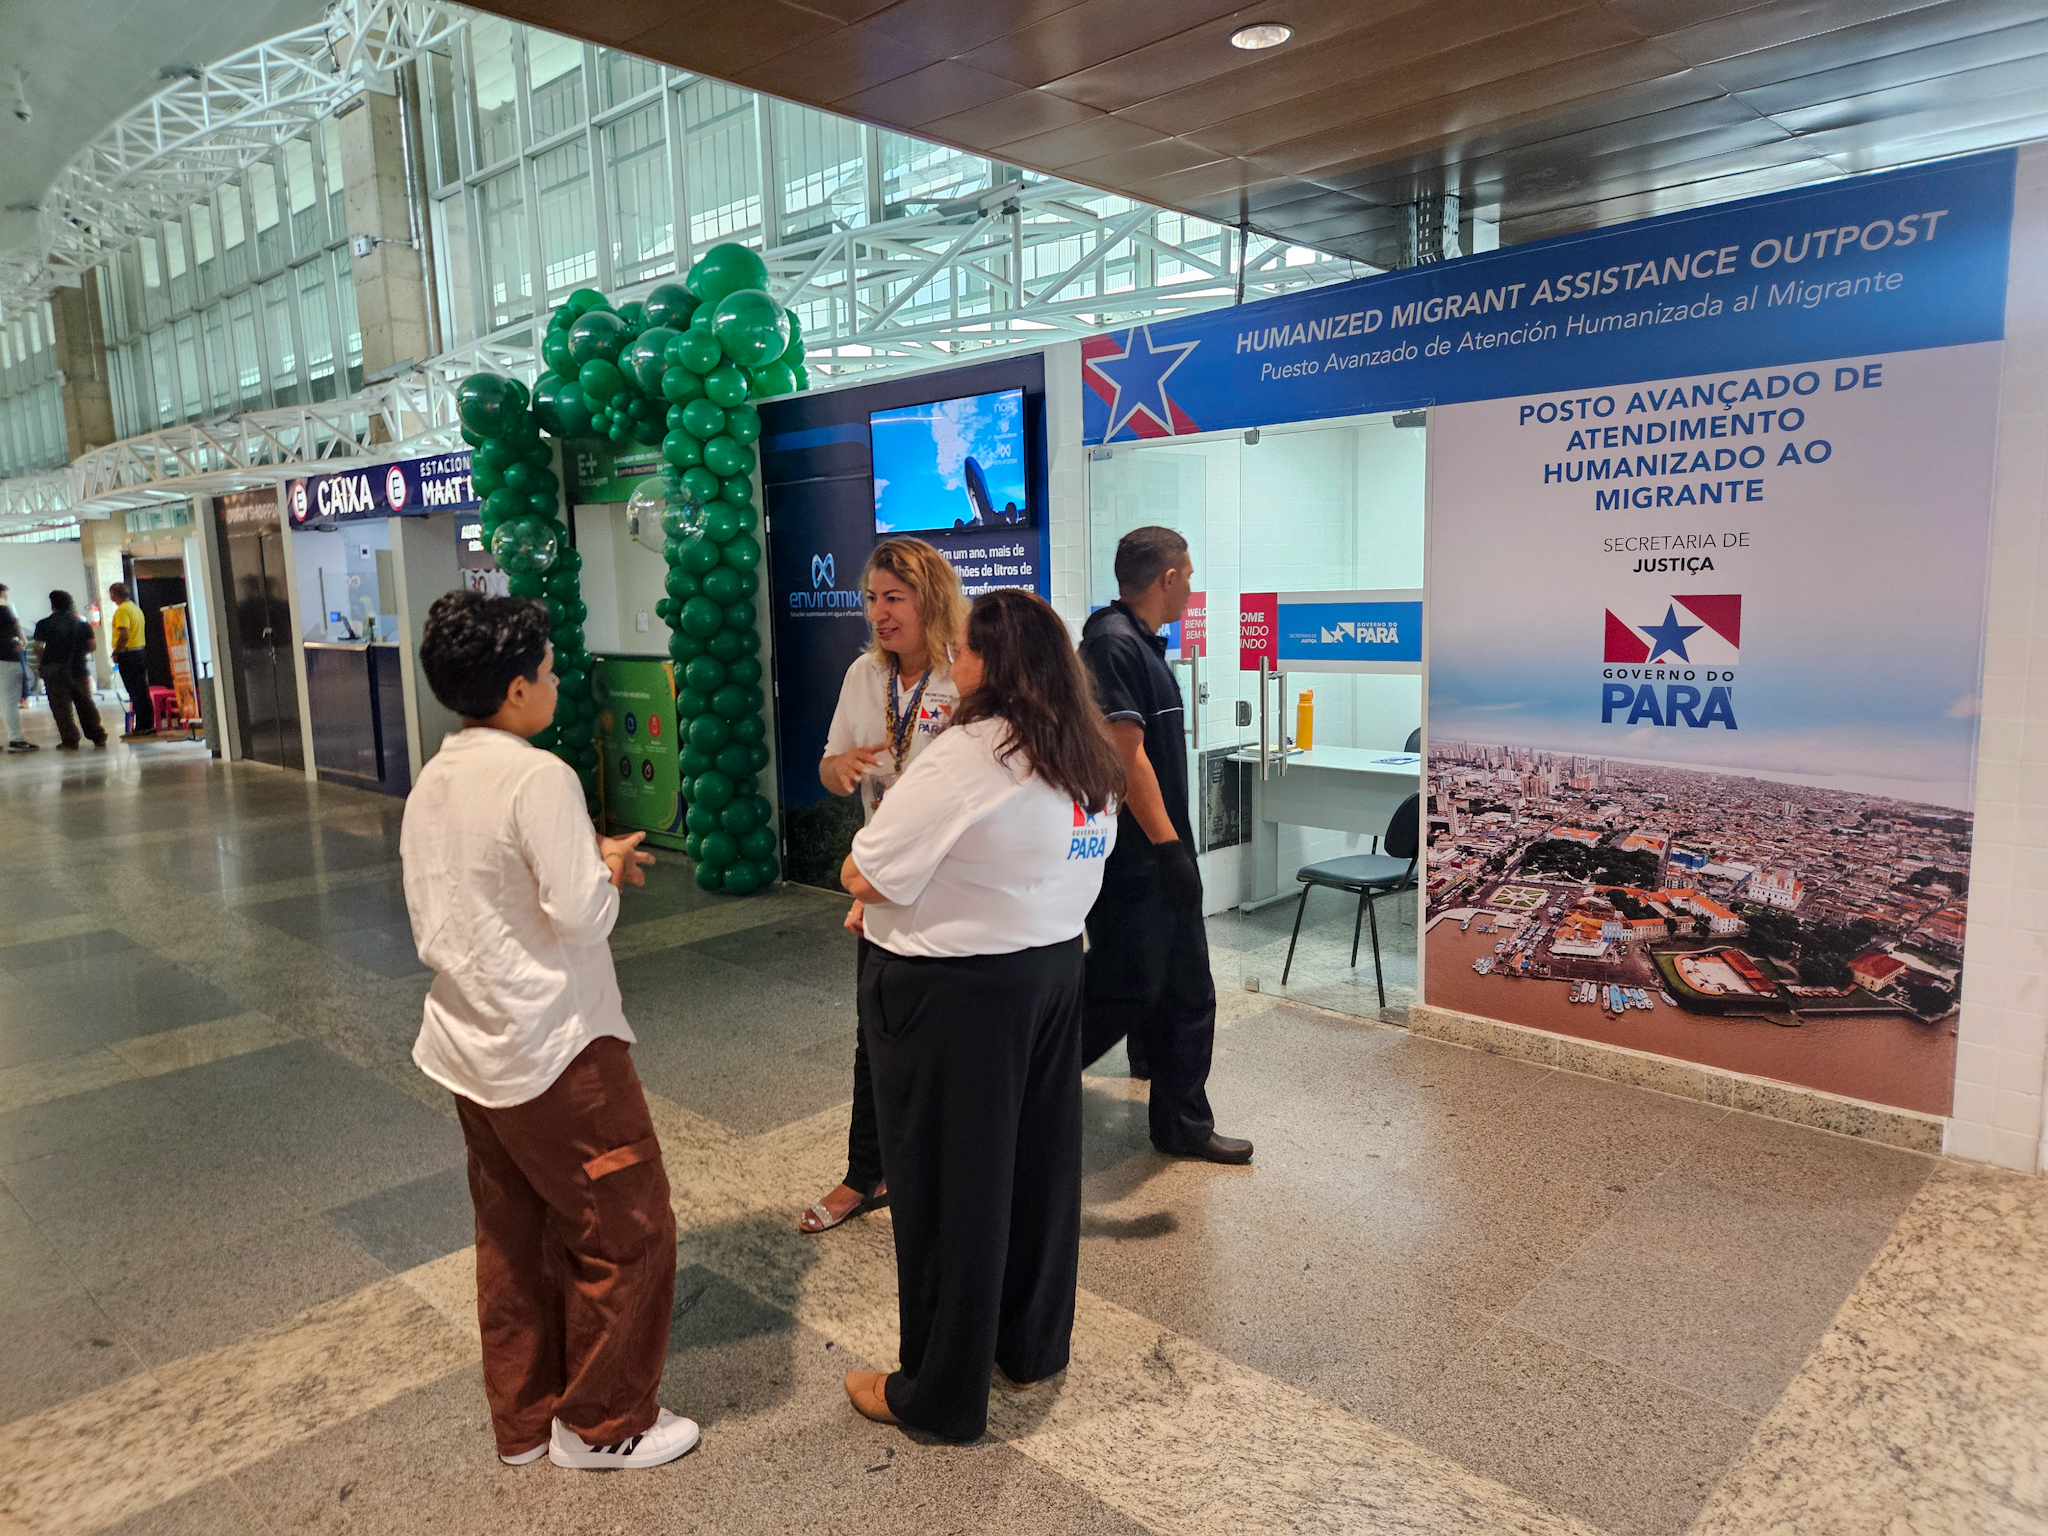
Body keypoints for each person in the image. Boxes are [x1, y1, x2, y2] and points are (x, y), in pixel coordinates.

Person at [400, 590, 698, 1473]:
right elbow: (581, 917)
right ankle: (605, 1423)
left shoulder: (437, 775)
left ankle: (525, 1423)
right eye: (550, 668)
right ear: (520, 687)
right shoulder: (539, 777)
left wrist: (585, 865)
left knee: (514, 1237)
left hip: (467, 1043)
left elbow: (472, 898)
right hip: (557, 1049)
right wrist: (604, 867)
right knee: (626, 1225)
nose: (558, 678)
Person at [839, 587, 1123, 1442]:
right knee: (1038, 1173)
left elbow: (866, 872)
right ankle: (1030, 1344)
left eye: (961, 648)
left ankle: (938, 1389)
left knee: (945, 1188)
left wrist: (880, 887)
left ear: (988, 663)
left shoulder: (971, 752)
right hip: (1051, 973)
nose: (951, 659)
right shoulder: (1083, 748)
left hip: (954, 998)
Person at [799, 537, 966, 1236]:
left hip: (957, 894)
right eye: (871, 599)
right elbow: (831, 765)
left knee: (953, 1045)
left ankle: (948, 1174)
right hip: (882, 888)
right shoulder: (863, 678)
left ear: (929, 598)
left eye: (893, 598)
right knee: (877, 1036)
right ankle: (865, 1173)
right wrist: (839, 771)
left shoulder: (968, 680)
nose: (878, 613)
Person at [1078, 527, 1252, 1165]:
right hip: (1139, 859)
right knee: (1139, 986)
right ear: (1170, 579)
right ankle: (1023, 1076)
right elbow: (1127, 759)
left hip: (1149, 853)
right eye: (1190, 576)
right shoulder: (1114, 644)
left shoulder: (1133, 643)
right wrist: (1171, 850)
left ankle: (1177, 1116)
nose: (1193, 588)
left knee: (1168, 985)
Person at [31, 592, 105, 752]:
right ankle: (98, 736)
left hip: (54, 672)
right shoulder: (82, 624)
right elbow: (92, 645)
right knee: (85, 704)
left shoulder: (44, 624)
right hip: (78, 670)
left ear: (53, 605)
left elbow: (37, 647)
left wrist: (41, 661)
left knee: (61, 709)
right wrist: (78, 653)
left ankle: (70, 740)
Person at [108, 582, 154, 738]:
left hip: (129, 655)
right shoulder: (135, 609)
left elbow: (125, 634)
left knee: (135, 691)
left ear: (113, 594)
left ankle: (143, 726)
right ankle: (146, 724)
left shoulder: (122, 610)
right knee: (142, 690)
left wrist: (117, 652)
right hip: (140, 653)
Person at [0, 585, 34, 753]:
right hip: (6, 658)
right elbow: (18, 630)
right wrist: (22, 642)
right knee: (9, 702)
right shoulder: (5, 610)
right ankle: (15, 740)